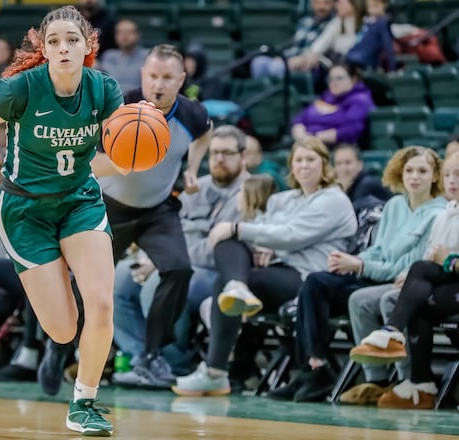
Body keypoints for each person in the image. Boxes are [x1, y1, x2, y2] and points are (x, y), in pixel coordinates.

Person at [0, 6, 124, 436]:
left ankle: (83, 402)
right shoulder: (20, 89)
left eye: (71, 39)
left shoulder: (104, 89)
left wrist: (131, 154)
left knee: (102, 305)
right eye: (54, 41)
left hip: (79, 201)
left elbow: (115, 155)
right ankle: (56, 328)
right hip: (25, 211)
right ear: (43, 49)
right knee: (64, 329)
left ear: (88, 45)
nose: (63, 47)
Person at [173, 137, 357, 396]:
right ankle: (236, 289)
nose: (304, 166)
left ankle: (216, 370)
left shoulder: (333, 199)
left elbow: (291, 234)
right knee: (228, 260)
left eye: (311, 160)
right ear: (291, 166)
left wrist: (245, 232)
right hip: (279, 271)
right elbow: (267, 229)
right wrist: (262, 243)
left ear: (324, 165)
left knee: (231, 241)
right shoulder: (285, 199)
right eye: (299, 160)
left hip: (310, 279)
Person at [268, 146, 444, 402]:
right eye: (409, 170)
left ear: (435, 176)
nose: (414, 176)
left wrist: (360, 266)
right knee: (316, 282)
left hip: (399, 282)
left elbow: (410, 266)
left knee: (362, 298)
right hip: (374, 273)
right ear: (400, 173)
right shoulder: (394, 204)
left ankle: (401, 379)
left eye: (422, 171)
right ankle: (314, 368)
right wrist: (354, 260)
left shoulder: (437, 213)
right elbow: (379, 250)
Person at [102, 44, 212, 390]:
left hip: (157, 210)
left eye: (167, 78)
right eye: (152, 76)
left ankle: (152, 355)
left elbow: (206, 131)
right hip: (110, 207)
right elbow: (86, 157)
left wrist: (192, 168)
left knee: (179, 269)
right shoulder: (119, 108)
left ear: (181, 80)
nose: (158, 85)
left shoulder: (192, 113)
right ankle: (58, 352)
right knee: (85, 285)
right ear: (142, 76)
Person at [348, 152, 459, 409]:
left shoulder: (437, 211)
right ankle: (420, 385)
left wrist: (450, 260)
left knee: (418, 271)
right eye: (448, 175)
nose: (452, 181)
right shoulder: (447, 213)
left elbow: (444, 262)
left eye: (458, 175)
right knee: (417, 298)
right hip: (448, 285)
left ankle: (392, 333)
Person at [291, 64, 375, 147]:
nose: (334, 83)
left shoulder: (360, 100)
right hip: (307, 144)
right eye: (330, 79)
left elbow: (351, 130)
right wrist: (301, 137)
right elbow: (299, 119)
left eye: (339, 78)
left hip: (339, 149)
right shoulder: (326, 98)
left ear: (353, 79)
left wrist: (314, 138)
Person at [333, 143, 391, 208]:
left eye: (348, 162)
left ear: (360, 164)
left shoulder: (367, 184)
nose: (343, 168)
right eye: (338, 164)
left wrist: (343, 191)